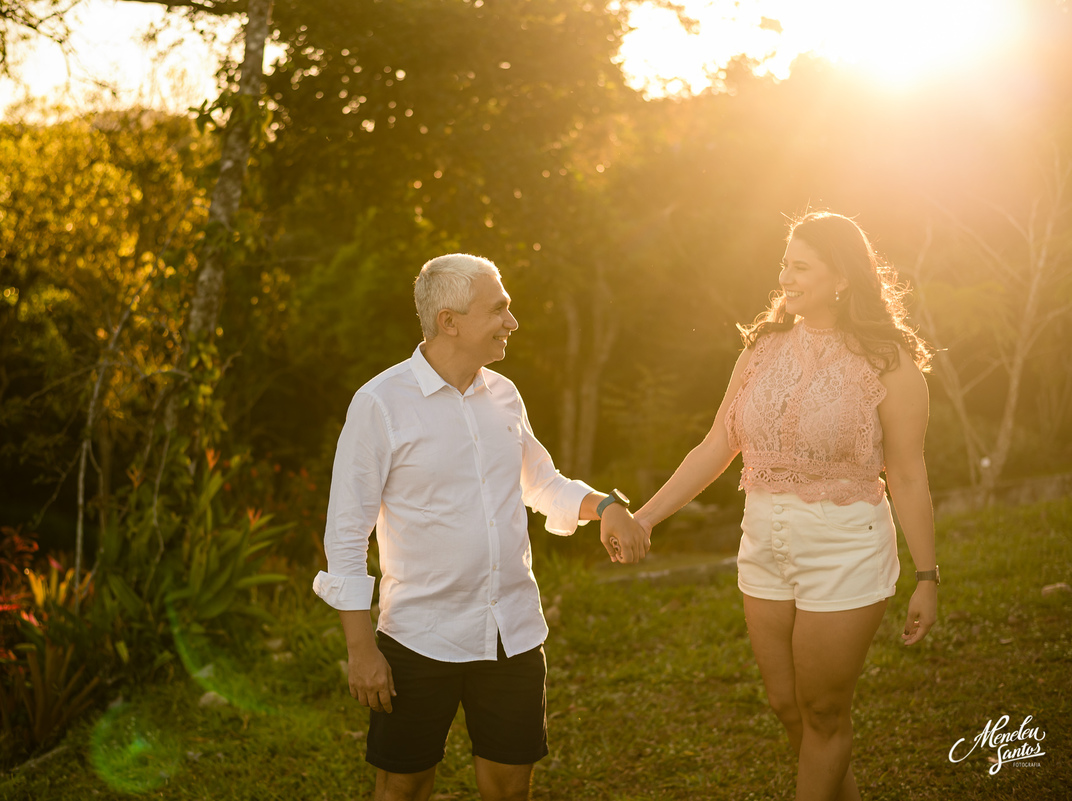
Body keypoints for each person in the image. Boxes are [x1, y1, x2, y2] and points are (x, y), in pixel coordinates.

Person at [313, 253, 650, 801]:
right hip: (419, 638)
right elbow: (346, 534)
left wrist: (605, 505)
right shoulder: (379, 403)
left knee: (509, 784)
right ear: (450, 321)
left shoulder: (505, 395)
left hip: (511, 633)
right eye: (499, 310)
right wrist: (360, 648)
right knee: (403, 785)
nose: (511, 323)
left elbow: (542, 483)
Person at [632, 212, 938, 801]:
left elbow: (906, 471)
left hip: (844, 547)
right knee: (788, 707)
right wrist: (646, 516)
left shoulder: (888, 359)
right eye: (784, 264)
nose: (784, 276)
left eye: (800, 266)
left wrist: (927, 575)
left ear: (842, 276)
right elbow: (718, 443)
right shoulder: (763, 347)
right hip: (762, 548)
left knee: (824, 711)